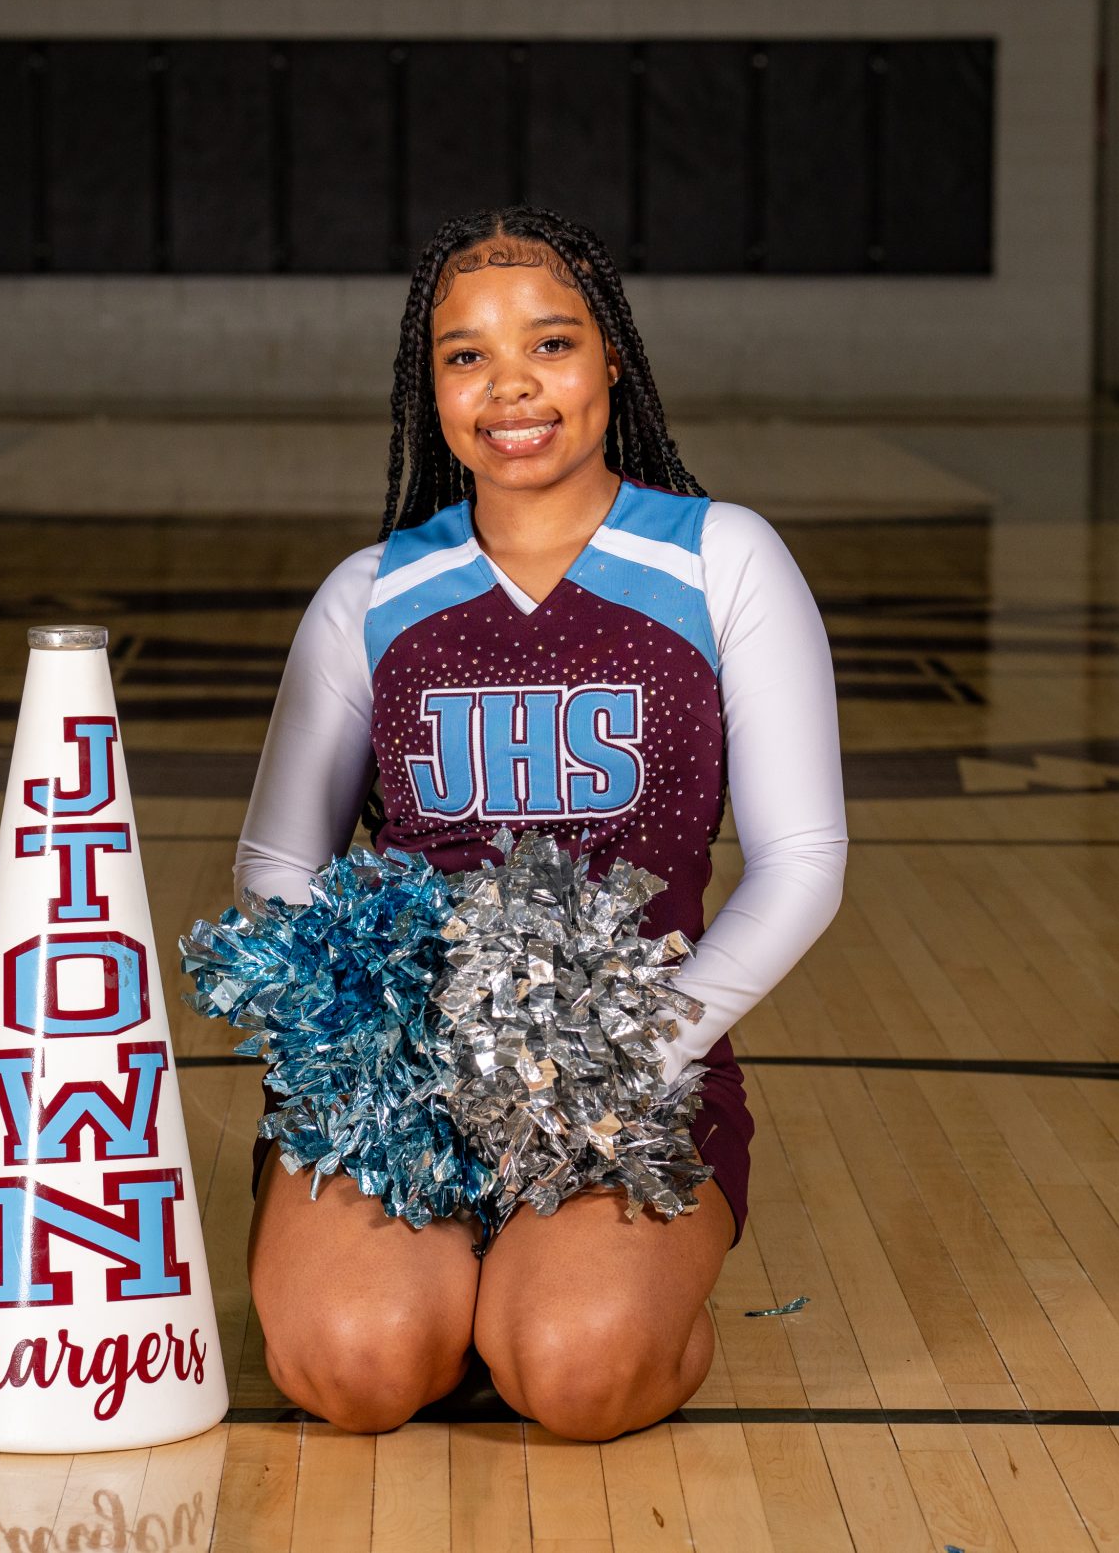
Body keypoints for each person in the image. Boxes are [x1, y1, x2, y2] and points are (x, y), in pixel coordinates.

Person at [231, 205, 847, 1441]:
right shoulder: (373, 591)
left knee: (576, 1371)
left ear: (610, 356)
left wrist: (635, 1049)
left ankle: (557, 1298)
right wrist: (376, 1037)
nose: (510, 385)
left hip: (636, 1080)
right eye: (465, 354)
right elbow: (277, 860)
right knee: (351, 1366)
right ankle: (454, 1292)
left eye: (550, 343)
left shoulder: (720, 560)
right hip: (408, 1078)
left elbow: (802, 861)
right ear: (432, 386)